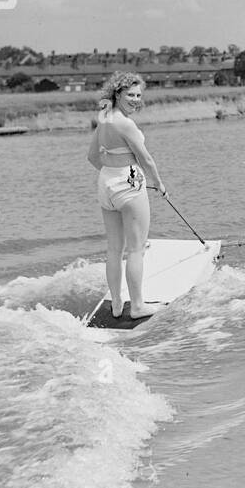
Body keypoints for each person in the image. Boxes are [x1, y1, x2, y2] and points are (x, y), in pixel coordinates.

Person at [87, 71, 167, 320]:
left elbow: (92, 157)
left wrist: (114, 176)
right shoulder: (126, 124)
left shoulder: (104, 118)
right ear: (117, 94)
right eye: (130, 95)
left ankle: (118, 304)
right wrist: (160, 185)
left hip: (106, 184)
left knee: (114, 249)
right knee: (136, 249)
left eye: (138, 95)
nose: (135, 99)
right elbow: (146, 159)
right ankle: (138, 307)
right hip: (129, 183)